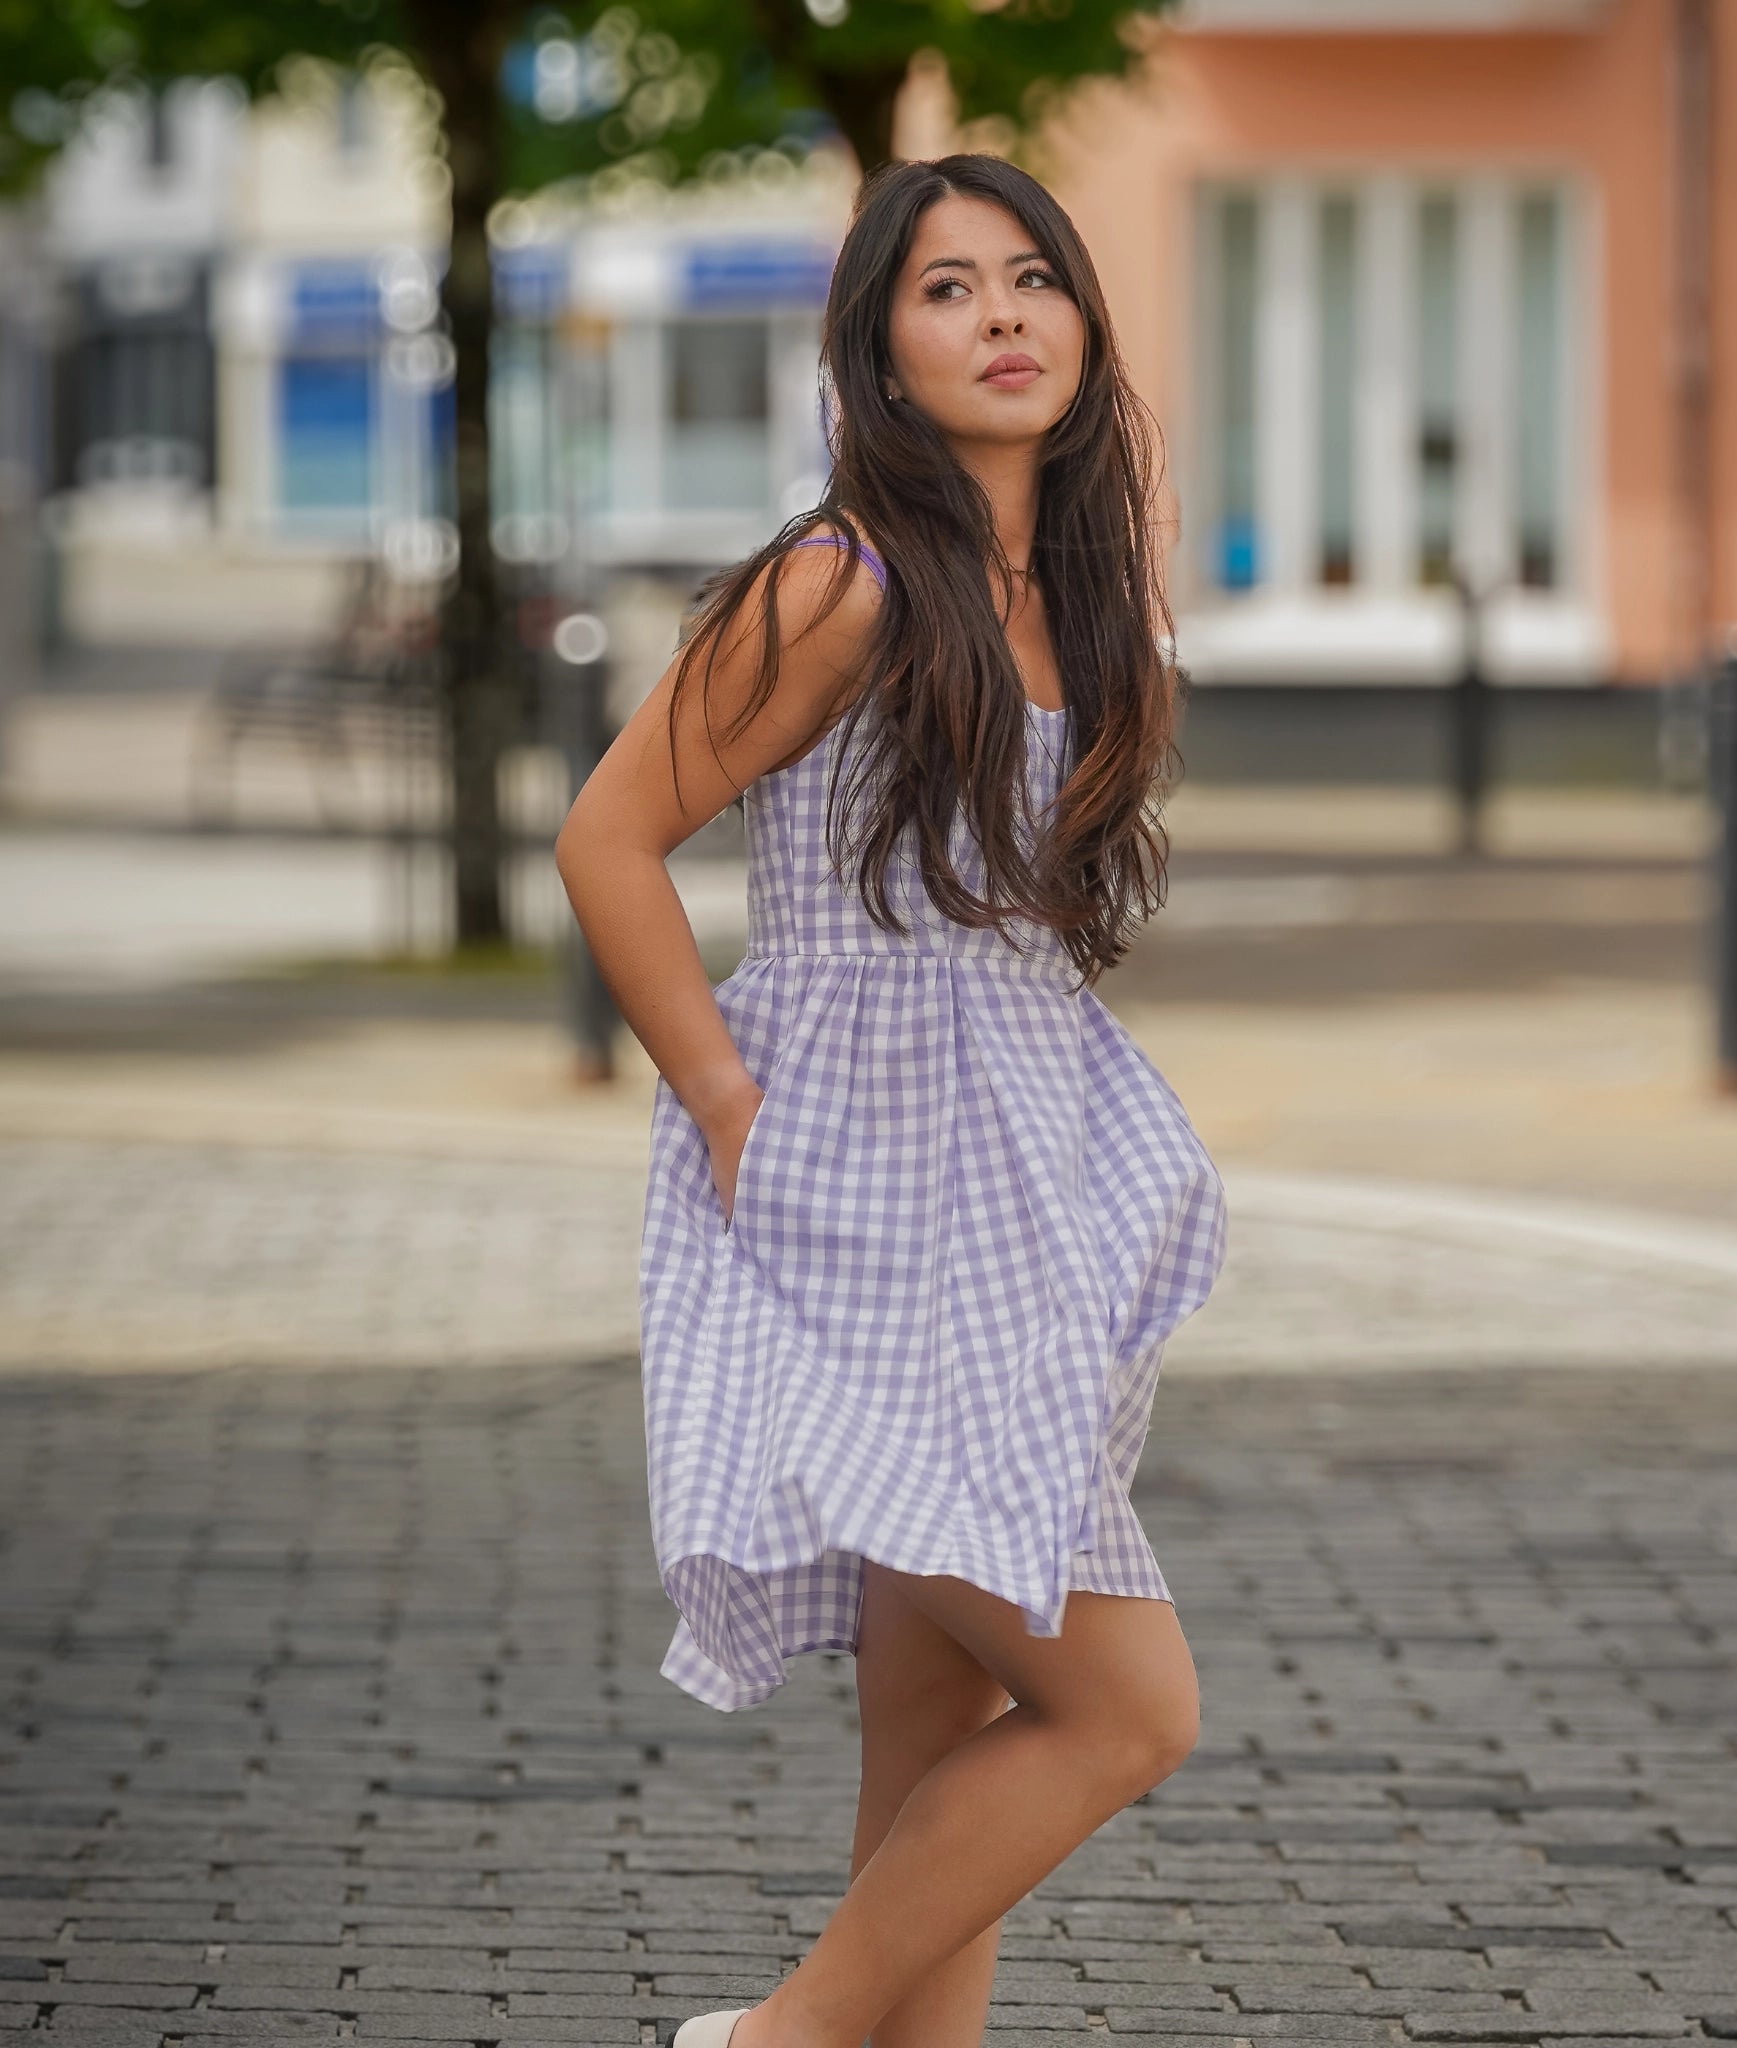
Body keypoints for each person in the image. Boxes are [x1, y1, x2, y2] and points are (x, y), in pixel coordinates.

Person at [555, 151, 1229, 2048]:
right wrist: (722, 1100)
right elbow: (609, 838)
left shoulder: (1073, 600)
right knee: (1127, 1707)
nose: (1003, 316)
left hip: (1013, 1197)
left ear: (1086, 324)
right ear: (876, 344)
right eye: (948, 288)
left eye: (1034, 278)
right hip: (855, 1196)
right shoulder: (840, 580)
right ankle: (769, 2042)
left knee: (935, 1742)